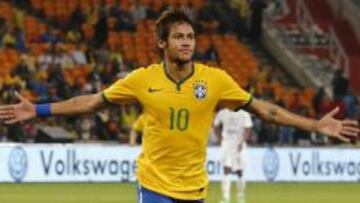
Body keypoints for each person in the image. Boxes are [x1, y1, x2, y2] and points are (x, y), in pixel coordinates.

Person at [0, 9, 358, 203]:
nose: (187, 43)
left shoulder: (215, 79)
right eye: (179, 37)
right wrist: (40, 110)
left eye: (191, 37)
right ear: (162, 43)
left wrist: (314, 126)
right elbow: (90, 103)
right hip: (154, 186)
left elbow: (266, 110)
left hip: (194, 189)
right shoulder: (142, 78)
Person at [214, 108, 253, 203]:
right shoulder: (222, 112)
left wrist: (243, 141)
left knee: (240, 171)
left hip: (239, 144)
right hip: (227, 144)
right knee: (226, 169)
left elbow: (248, 128)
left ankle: (240, 196)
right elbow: (215, 125)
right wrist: (219, 138)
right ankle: (226, 197)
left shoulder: (244, 113)